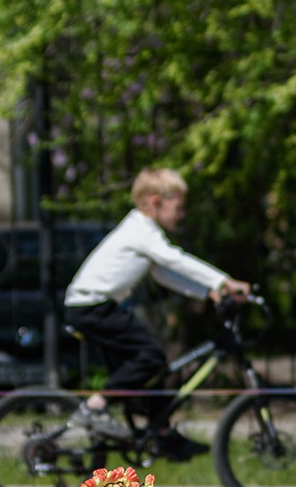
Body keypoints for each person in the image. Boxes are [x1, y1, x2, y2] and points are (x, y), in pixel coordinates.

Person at [63, 167, 251, 459]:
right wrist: (224, 281)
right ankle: (95, 407)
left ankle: (161, 434)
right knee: (151, 356)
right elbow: (174, 259)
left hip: (95, 307)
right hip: (91, 308)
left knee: (153, 370)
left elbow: (164, 274)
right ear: (155, 202)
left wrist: (207, 292)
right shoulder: (141, 230)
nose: (183, 214)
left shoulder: (143, 233)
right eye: (179, 206)